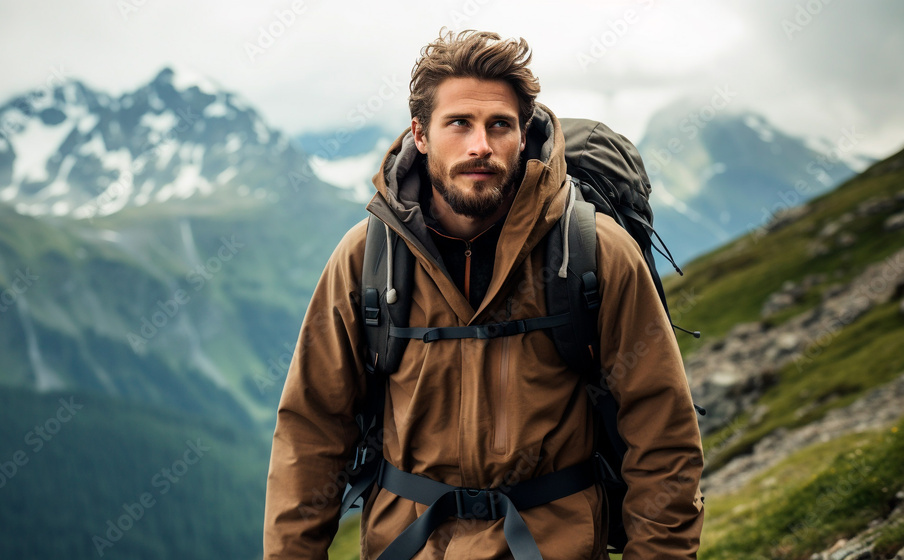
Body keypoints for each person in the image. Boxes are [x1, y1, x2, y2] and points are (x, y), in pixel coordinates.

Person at [264, 29, 704, 559]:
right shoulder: (366, 258)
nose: (481, 145)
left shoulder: (594, 252)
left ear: (523, 135)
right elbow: (311, 432)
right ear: (421, 135)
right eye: (459, 124)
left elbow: (664, 437)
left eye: (500, 125)